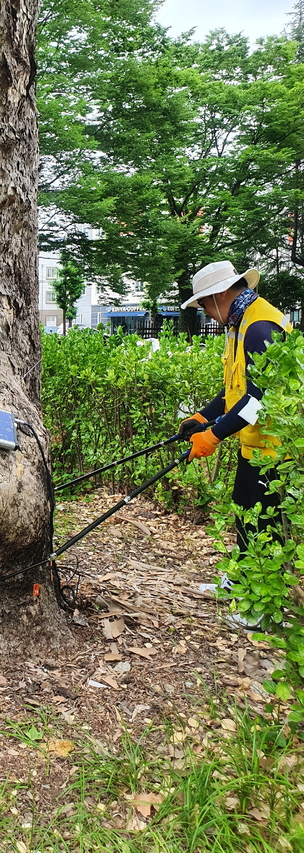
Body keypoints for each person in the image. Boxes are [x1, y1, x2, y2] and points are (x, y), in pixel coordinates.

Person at [178, 260, 292, 625]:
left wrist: (213, 435)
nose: (207, 314)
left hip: (275, 450)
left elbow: (259, 399)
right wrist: (201, 418)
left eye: (206, 305)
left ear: (223, 294)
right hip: (253, 445)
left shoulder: (260, 327)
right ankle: (239, 584)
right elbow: (234, 391)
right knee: (245, 511)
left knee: (263, 526)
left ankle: (259, 610)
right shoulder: (239, 323)